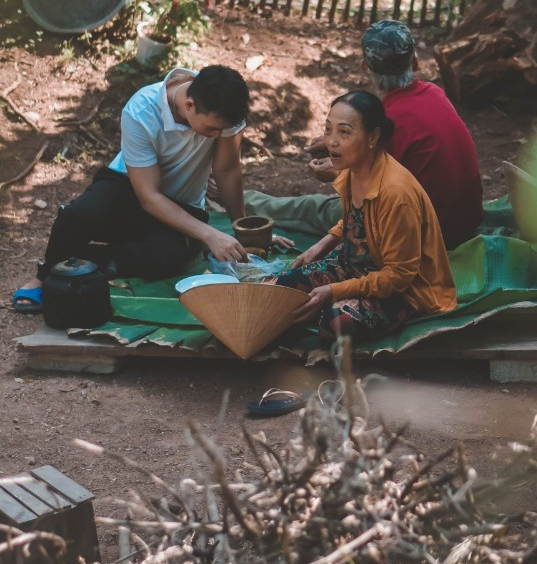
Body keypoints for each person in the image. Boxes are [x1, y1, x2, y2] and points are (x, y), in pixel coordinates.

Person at [14, 65, 252, 310]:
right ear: (190, 105)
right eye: (211, 129)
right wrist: (209, 234)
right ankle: (43, 277)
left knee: (167, 258)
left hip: (183, 206)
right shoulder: (142, 110)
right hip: (128, 190)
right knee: (79, 215)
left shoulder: (224, 109)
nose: (216, 135)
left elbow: (227, 170)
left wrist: (244, 229)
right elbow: (148, 196)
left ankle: (80, 260)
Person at [245, 19, 484, 250]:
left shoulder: (387, 124)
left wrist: (337, 173)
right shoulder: (434, 93)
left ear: (364, 67)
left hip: (425, 235)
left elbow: (367, 190)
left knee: (314, 207)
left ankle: (241, 200)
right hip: (464, 222)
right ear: (416, 63)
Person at [277, 90, 456, 342]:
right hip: (355, 262)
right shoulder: (351, 170)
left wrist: (334, 291)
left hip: (402, 291)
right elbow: (355, 223)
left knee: (334, 322)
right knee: (282, 289)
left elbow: (398, 276)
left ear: (373, 137)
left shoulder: (396, 195)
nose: (332, 141)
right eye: (329, 130)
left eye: (344, 132)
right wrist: (320, 245)